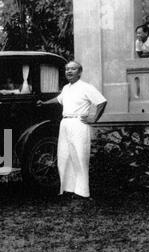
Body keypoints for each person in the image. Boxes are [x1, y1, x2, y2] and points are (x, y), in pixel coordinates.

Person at [37, 61, 107, 201]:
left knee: (80, 157)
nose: (69, 71)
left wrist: (94, 118)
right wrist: (44, 103)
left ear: (79, 72)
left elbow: (101, 102)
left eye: (73, 69)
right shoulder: (66, 88)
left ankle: (83, 192)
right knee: (64, 156)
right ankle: (69, 189)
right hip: (65, 123)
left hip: (79, 123)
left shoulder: (86, 87)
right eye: (67, 69)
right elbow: (59, 99)